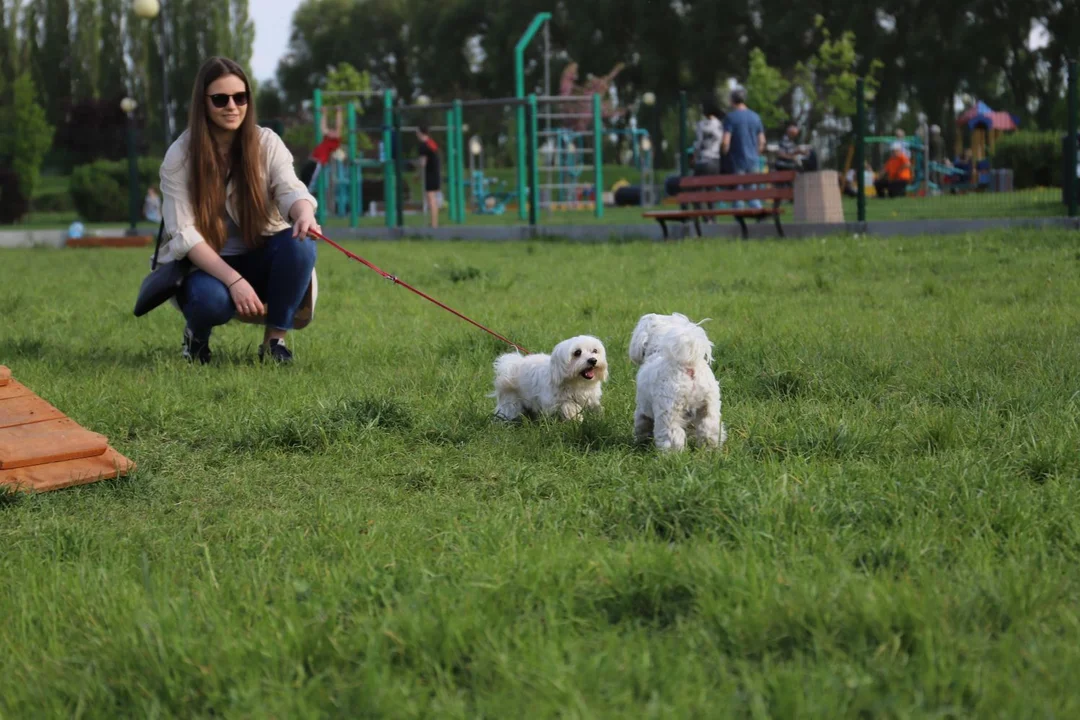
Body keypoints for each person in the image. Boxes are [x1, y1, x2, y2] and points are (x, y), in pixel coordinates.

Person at [157, 56, 320, 365]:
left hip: (262, 253)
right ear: (202, 103)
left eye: (240, 97)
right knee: (210, 302)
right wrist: (234, 281)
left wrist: (303, 213)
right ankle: (197, 337)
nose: (232, 106)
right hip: (207, 264)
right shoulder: (179, 156)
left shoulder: (267, 142)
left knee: (300, 244)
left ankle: (275, 344)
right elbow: (184, 235)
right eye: (220, 99)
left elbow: (291, 189)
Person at [721, 88, 766, 209]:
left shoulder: (730, 118)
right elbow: (762, 141)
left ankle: (738, 225)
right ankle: (759, 211)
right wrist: (756, 154)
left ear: (732, 101)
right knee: (751, 192)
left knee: (738, 193)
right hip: (753, 160)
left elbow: (726, 142)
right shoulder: (756, 117)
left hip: (737, 159)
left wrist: (724, 154)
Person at [415, 124, 441, 229]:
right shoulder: (431, 143)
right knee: (432, 198)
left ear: (421, 133)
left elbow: (423, 163)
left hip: (430, 174)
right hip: (435, 172)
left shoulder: (423, 145)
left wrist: (418, 174)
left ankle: (434, 224)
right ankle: (434, 222)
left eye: (417, 132)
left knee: (431, 199)